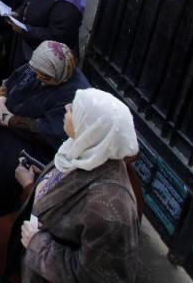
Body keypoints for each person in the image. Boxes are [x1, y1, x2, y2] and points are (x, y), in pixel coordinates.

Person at [0, 41, 91, 251]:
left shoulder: (76, 92)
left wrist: (9, 120)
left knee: (4, 162)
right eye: (37, 73)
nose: (39, 78)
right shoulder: (35, 66)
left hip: (36, 140)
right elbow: (8, 82)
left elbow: (50, 130)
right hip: (6, 116)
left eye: (45, 77)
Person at [19, 89, 140, 283]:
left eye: (75, 108)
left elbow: (98, 277)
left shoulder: (110, 209)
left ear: (92, 127)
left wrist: (38, 244)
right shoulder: (84, 150)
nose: (67, 106)